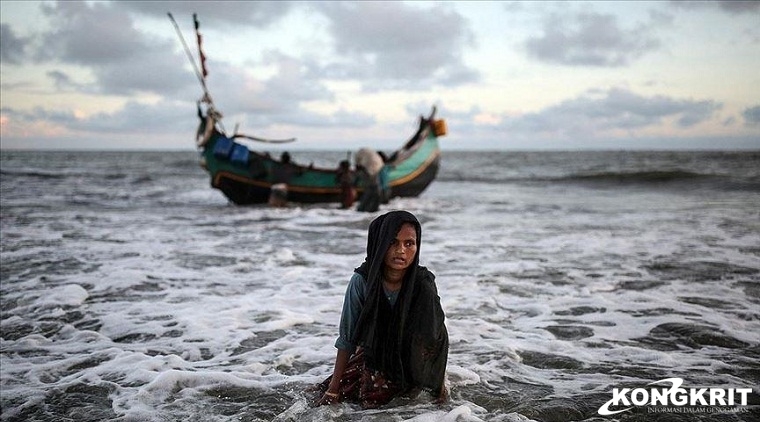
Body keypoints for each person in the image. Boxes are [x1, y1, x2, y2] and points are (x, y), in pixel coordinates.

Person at [314, 211, 449, 409]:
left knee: (417, 406)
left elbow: (434, 338)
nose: (401, 250)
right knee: (359, 402)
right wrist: (333, 388)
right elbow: (347, 338)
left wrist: (438, 386)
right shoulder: (362, 281)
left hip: (413, 358)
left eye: (409, 243)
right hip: (376, 352)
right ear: (379, 244)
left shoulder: (423, 284)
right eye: (392, 242)